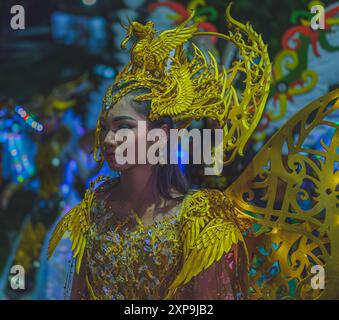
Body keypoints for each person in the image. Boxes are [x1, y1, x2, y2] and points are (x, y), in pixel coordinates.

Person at [48, 3, 339, 300]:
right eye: (106, 128)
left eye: (122, 127)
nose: (108, 139)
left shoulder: (229, 181)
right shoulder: (99, 208)